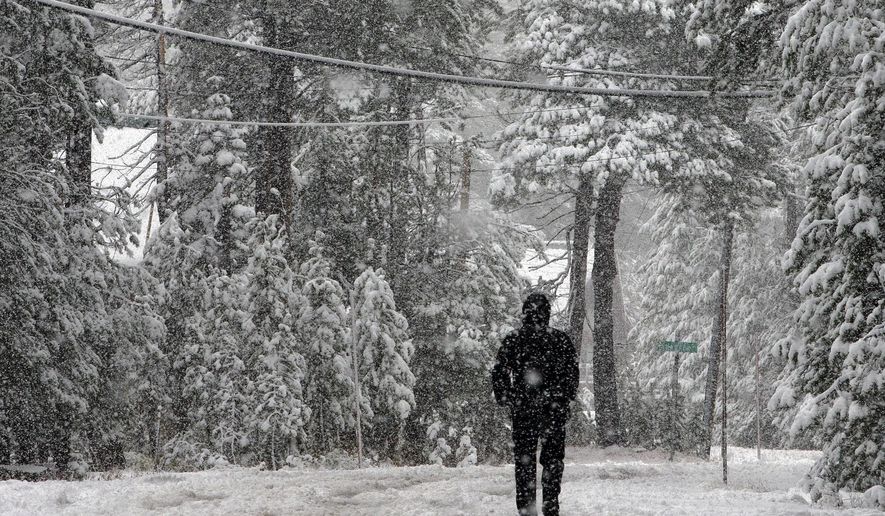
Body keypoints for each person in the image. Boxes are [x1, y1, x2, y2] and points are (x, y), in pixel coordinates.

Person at [492, 292, 579, 516]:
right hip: (553, 410)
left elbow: (500, 372)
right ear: (547, 313)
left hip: (524, 409)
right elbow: (572, 374)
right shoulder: (560, 340)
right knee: (552, 460)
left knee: (525, 462)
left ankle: (527, 509)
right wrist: (564, 399)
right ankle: (550, 505)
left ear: (525, 313)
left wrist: (507, 398)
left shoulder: (514, 339)